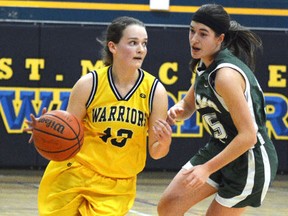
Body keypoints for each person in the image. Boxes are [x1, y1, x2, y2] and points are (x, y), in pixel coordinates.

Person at [25, 16, 172, 215]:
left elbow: (156, 152)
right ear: (113, 46)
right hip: (75, 172)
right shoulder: (89, 84)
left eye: (144, 44)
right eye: (133, 43)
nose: (141, 49)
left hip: (117, 185)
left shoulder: (155, 91)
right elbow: (68, 129)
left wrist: (164, 142)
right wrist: (46, 130)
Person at [157, 4, 278, 216]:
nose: (194, 39)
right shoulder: (204, 66)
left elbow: (248, 136)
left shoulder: (225, 76)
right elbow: (188, 105)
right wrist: (177, 111)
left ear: (219, 39)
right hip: (221, 147)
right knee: (169, 206)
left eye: (203, 34)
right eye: (192, 30)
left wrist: (206, 168)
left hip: (249, 159)